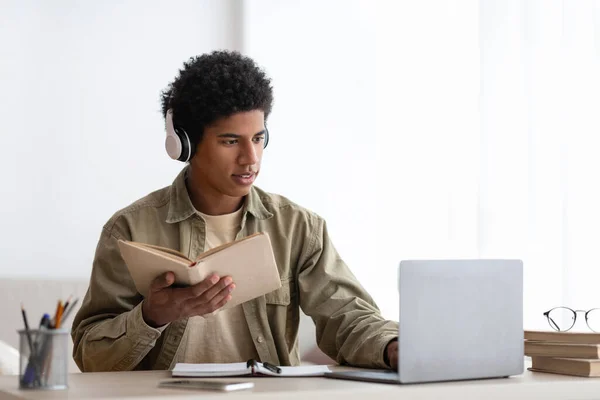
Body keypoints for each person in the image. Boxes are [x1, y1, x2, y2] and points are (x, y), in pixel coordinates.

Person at [71, 50, 399, 372]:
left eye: (258, 138)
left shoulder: (298, 228)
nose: (250, 158)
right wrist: (151, 316)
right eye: (230, 141)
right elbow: (89, 354)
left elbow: (349, 318)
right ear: (184, 144)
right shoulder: (129, 229)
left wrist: (392, 347)